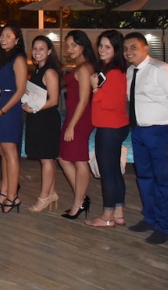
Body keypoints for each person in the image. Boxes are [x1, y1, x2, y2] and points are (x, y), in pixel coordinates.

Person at [124, 31, 168, 245]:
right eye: (125, 48)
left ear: (145, 48)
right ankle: (150, 218)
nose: (128, 51)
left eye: (133, 47)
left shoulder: (161, 69)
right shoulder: (130, 72)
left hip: (162, 132)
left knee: (163, 180)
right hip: (140, 132)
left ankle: (164, 227)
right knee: (144, 178)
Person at [85, 30, 128, 228]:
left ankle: (107, 216)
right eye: (101, 46)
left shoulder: (114, 73)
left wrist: (95, 88)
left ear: (116, 49)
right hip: (113, 126)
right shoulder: (111, 69)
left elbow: (110, 103)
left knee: (108, 173)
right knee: (115, 171)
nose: (102, 50)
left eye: (107, 47)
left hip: (110, 127)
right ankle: (118, 213)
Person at [0, 24, 27, 213]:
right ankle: (4, 192)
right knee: (2, 152)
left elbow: (20, 90)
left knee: (10, 153)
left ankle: (13, 195)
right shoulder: (0, 58)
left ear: (17, 40)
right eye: (2, 36)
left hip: (9, 108)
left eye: (8, 36)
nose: (3, 39)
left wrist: (3, 110)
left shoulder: (19, 59)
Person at [21, 36, 62, 212]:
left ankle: (44, 198)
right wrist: (27, 103)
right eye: (35, 48)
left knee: (47, 159)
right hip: (37, 118)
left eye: (41, 48)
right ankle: (51, 193)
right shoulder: (37, 70)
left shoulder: (49, 72)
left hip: (47, 120)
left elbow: (54, 100)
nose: (37, 52)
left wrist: (34, 108)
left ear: (49, 51)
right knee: (45, 159)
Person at [59, 30, 96, 220]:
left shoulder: (84, 68)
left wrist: (72, 125)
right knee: (63, 157)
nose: (70, 49)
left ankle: (78, 203)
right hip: (74, 117)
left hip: (80, 118)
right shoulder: (81, 66)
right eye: (67, 46)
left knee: (79, 160)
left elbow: (84, 100)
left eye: (74, 45)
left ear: (83, 45)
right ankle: (81, 198)